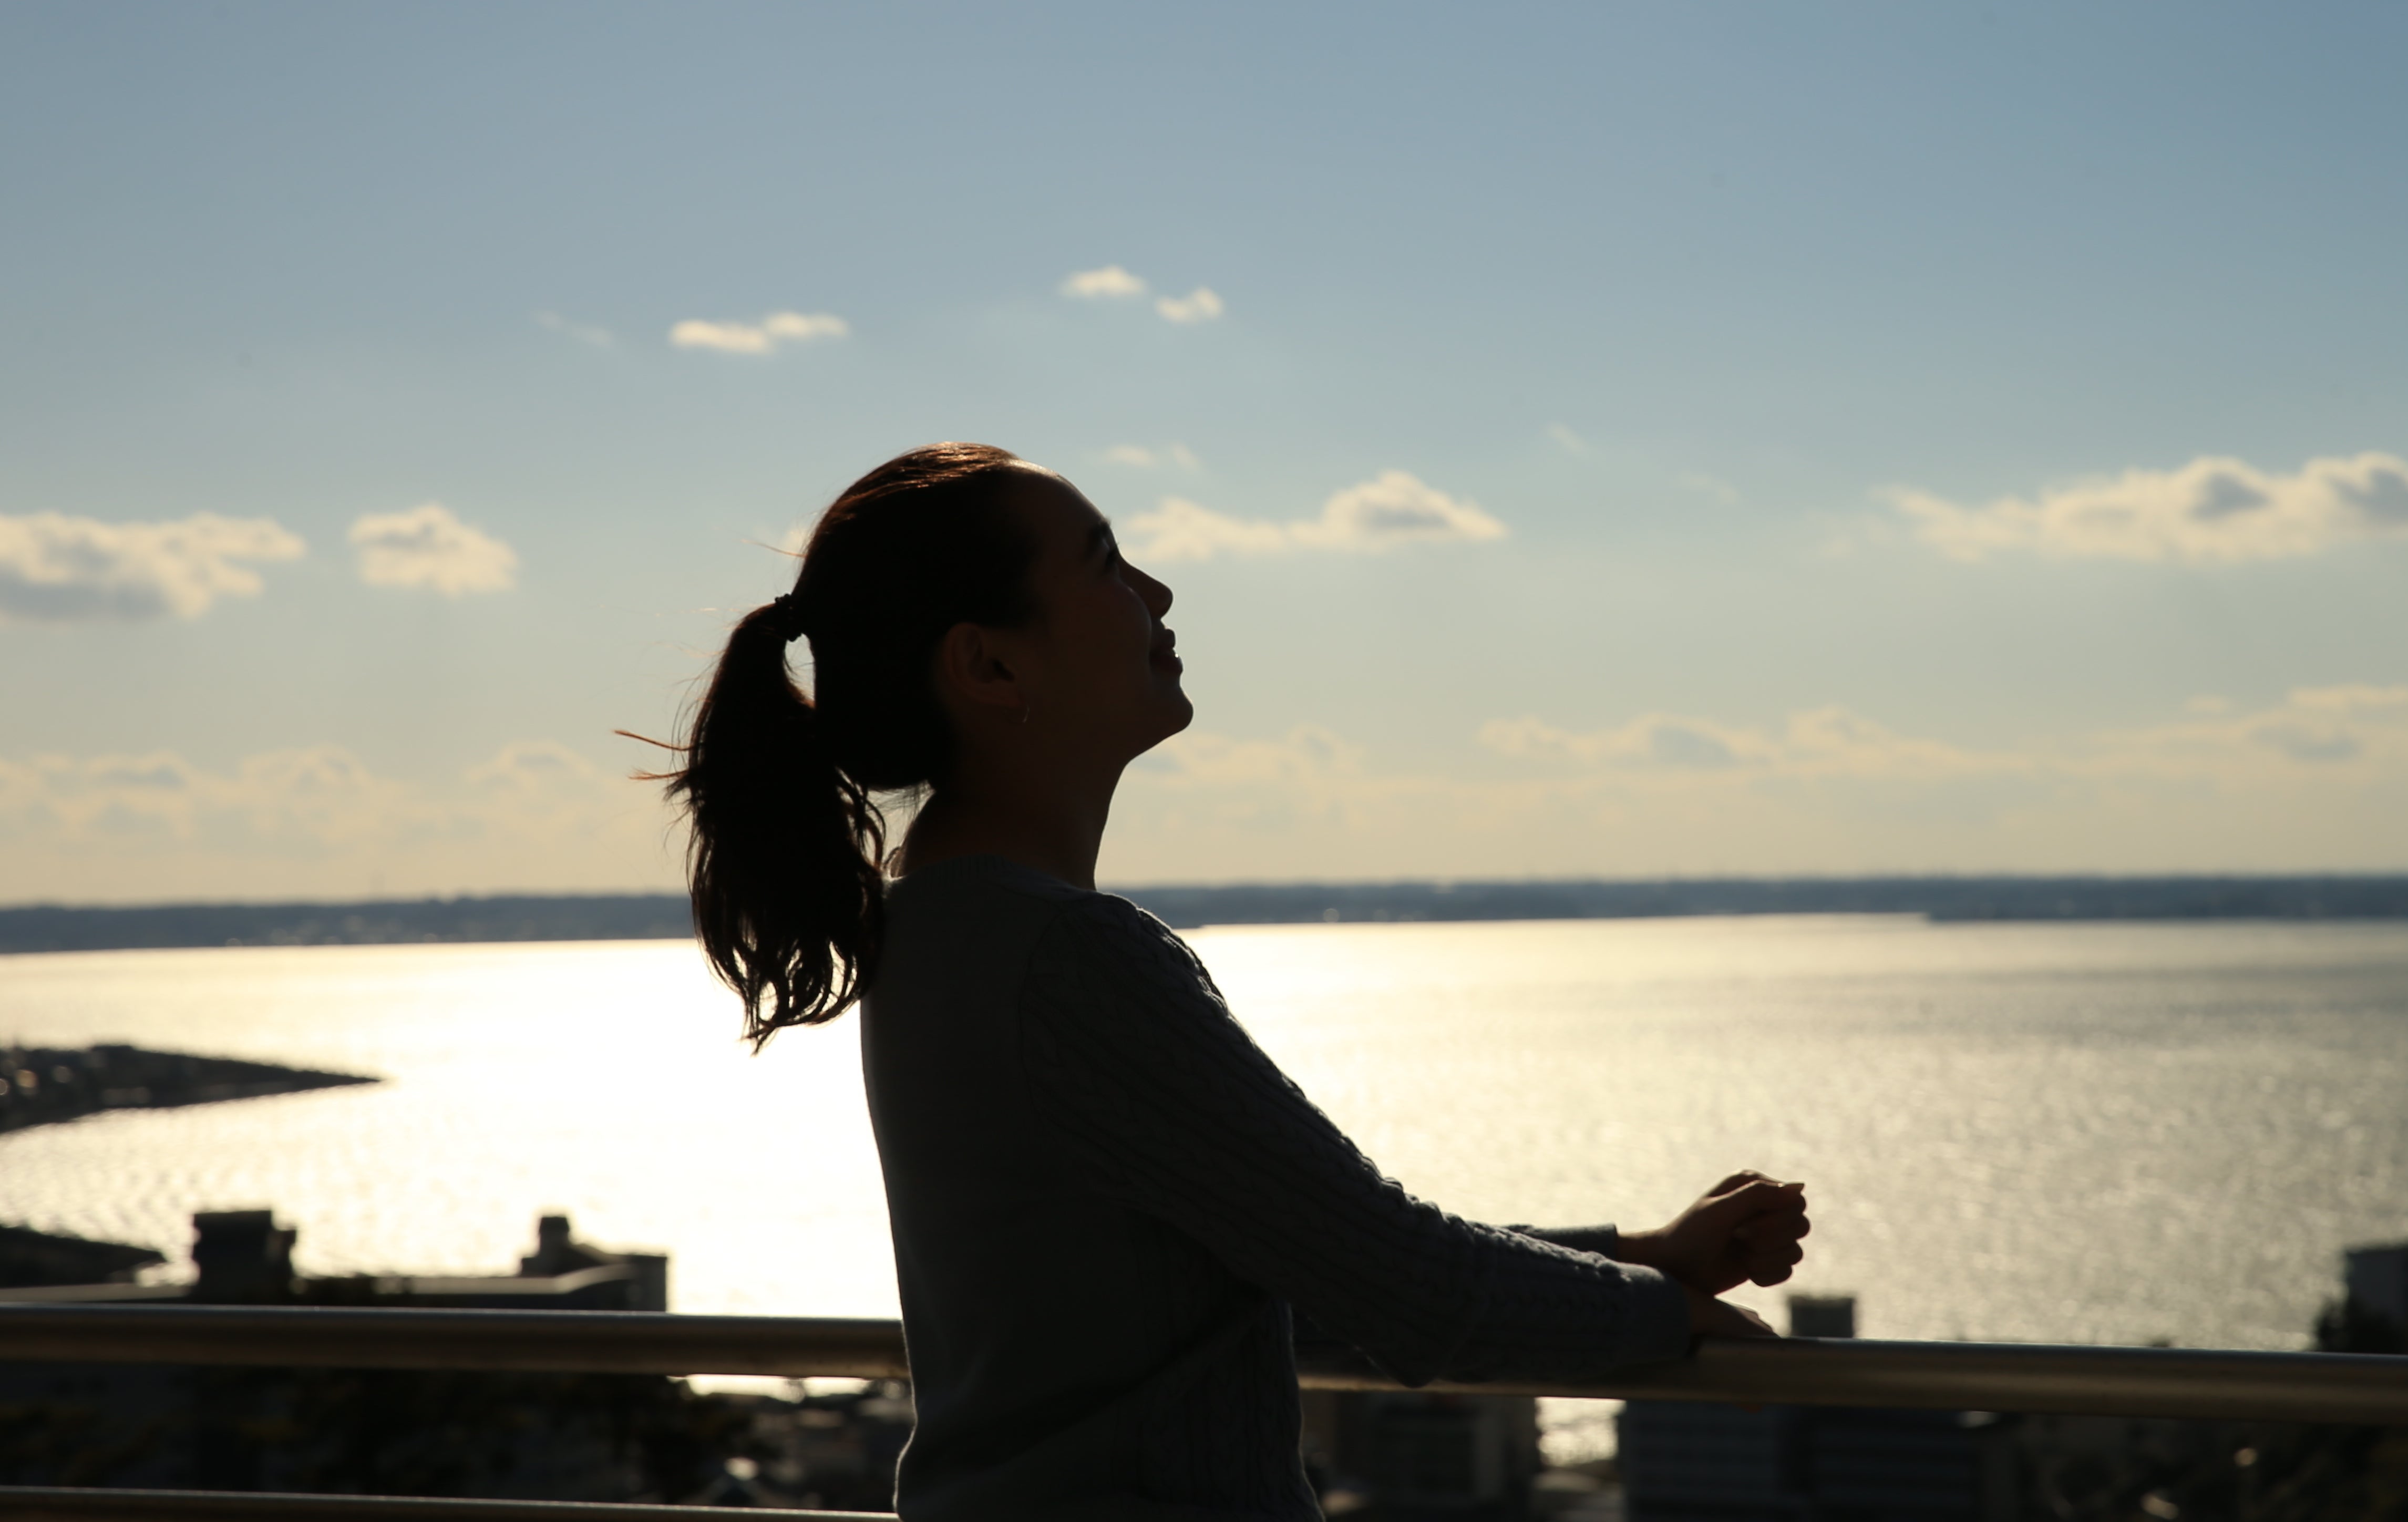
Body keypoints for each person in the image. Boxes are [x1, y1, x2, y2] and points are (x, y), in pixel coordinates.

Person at [661, 441, 1808, 1520]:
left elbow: (1264, 1275)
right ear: (990, 664)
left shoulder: (934, 933)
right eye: (1106, 564)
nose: (1157, 593)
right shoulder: (1067, 958)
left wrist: (1638, 1257)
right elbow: (1402, 1286)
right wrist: (1659, 1317)